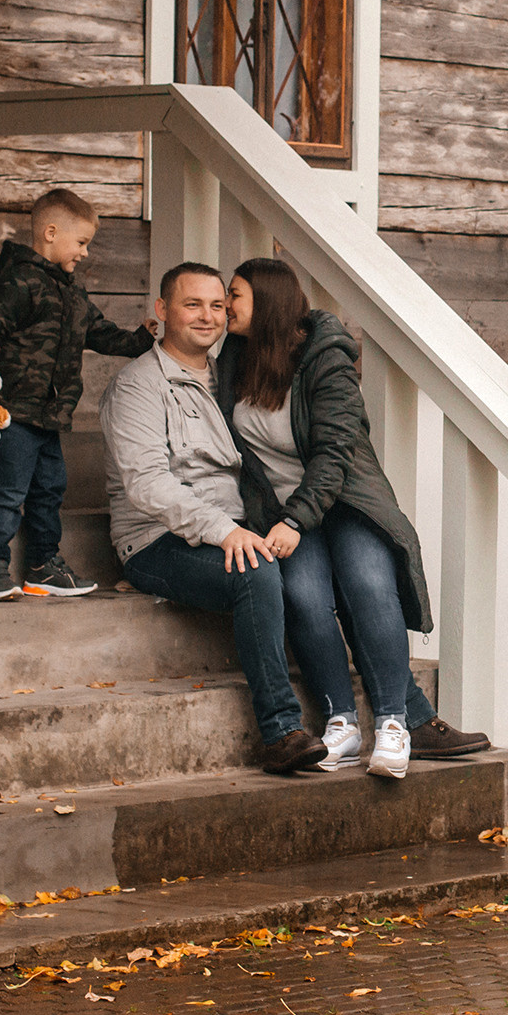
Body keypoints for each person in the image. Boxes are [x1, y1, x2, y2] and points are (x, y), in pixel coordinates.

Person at [217, 256, 492, 779]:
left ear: (268, 302)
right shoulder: (234, 357)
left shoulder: (326, 356)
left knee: (368, 581)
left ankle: (394, 724)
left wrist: (296, 520)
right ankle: (342, 723)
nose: (227, 305)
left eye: (235, 294)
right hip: (282, 512)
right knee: (302, 595)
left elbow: (335, 451)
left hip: (342, 499)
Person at [101, 261, 328, 774]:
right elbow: (146, 484)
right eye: (192, 304)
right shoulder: (137, 387)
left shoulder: (230, 377)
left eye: (218, 306)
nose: (208, 317)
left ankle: (389, 714)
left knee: (325, 560)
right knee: (254, 571)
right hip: (157, 541)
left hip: (234, 528)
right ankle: (281, 732)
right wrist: (225, 531)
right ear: (162, 312)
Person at [0, 187, 154, 602]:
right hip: (15, 413)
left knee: (50, 489)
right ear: (49, 232)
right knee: (7, 490)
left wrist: (141, 340)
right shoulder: (19, 281)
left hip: (50, 416)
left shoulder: (72, 292)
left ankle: (43, 566)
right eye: (80, 242)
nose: (84, 252)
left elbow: (98, 332)